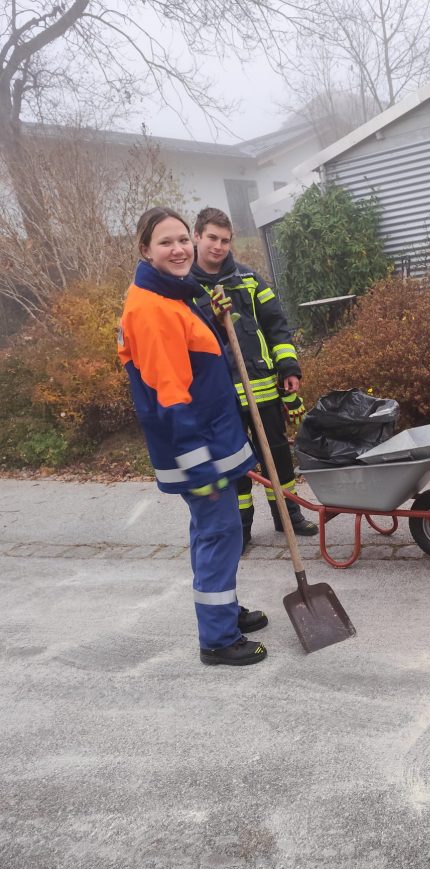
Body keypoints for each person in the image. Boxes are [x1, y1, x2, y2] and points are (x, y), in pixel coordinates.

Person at [119, 206, 271, 667]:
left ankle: (222, 611)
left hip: (212, 438)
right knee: (219, 532)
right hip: (197, 446)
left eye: (183, 239)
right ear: (145, 250)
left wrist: (208, 314)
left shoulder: (173, 296)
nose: (180, 248)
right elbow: (170, 395)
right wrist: (197, 463)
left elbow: (198, 361)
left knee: (214, 533)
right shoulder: (151, 309)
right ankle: (218, 640)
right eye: (166, 242)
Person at [191, 207, 318, 550]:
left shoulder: (247, 280)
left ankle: (287, 516)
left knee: (277, 457)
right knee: (236, 464)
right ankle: (241, 527)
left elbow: (277, 325)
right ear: (197, 236)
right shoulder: (185, 288)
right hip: (220, 398)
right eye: (212, 238)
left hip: (262, 390)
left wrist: (289, 369)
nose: (218, 246)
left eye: (225, 240)